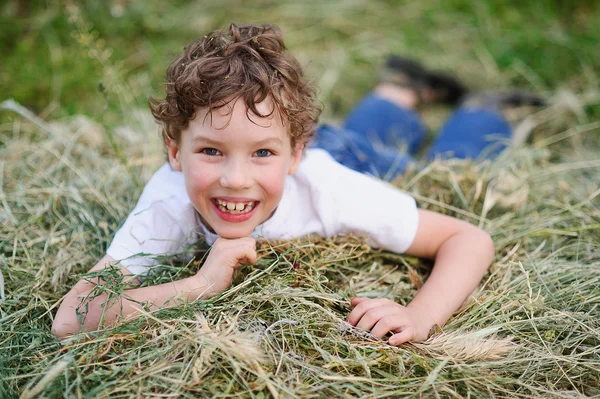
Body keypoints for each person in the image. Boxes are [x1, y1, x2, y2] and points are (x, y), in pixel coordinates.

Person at [53, 23, 528, 345]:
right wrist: (201, 283)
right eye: (211, 150)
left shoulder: (331, 191)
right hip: (310, 144)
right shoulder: (168, 199)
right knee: (360, 133)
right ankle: (400, 89)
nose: (235, 179)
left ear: (295, 154)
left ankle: (482, 110)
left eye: (259, 153)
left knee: (440, 164)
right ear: (174, 151)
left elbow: (467, 238)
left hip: (350, 164)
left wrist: (419, 317)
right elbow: (72, 318)